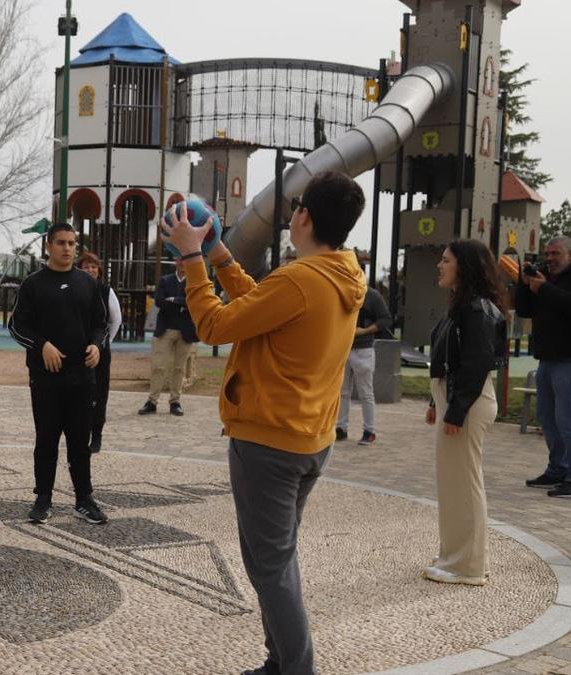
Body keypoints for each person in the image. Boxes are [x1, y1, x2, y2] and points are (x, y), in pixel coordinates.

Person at [161, 171, 367, 675]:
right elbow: (263, 303)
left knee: (271, 567)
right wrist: (221, 257)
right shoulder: (343, 273)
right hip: (308, 437)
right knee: (274, 560)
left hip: (270, 442)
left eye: (296, 207)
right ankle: (280, 662)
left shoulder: (301, 279)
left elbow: (214, 325)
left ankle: (296, 669)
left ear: (304, 217)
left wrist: (191, 259)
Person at [8, 223, 108, 525]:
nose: (68, 248)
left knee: (80, 440)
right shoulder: (33, 284)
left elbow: (100, 323)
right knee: (47, 438)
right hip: (46, 378)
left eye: (72, 243)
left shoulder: (87, 284)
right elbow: (16, 326)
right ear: (48, 246)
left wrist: (96, 345)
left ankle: (83, 498)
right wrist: (42, 346)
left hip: (82, 378)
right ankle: (43, 498)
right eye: (62, 243)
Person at [422, 240, 507, 586]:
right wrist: (435, 403)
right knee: (453, 484)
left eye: (445, 260)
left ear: (465, 266)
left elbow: (475, 364)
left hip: (467, 405)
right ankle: (455, 556)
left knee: (465, 483)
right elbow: (450, 359)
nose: (439, 266)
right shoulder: (464, 306)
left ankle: (468, 566)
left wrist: (455, 412)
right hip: (458, 401)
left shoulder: (476, 309)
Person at [517, 235, 571, 498]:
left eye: (555, 254)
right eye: (547, 254)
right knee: (547, 416)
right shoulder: (545, 278)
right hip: (548, 357)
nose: (549, 259)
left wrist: (544, 288)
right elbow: (524, 310)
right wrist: (524, 284)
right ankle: (558, 468)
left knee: (568, 417)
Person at [139, 264, 199, 417]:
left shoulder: (194, 282)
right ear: (177, 262)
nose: (183, 264)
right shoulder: (164, 281)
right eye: (181, 260)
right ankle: (152, 401)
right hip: (165, 330)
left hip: (185, 331)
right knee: (158, 366)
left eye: (186, 260)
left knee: (179, 368)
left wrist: (173, 300)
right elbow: (159, 301)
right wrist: (181, 302)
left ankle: (175, 401)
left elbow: (194, 302)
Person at [336, 285, 393, 445]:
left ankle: (369, 431)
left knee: (365, 393)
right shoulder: (341, 292)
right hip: (344, 348)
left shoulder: (372, 295)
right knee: (343, 391)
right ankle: (341, 428)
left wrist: (365, 330)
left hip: (364, 349)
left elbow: (385, 319)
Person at [77, 251, 121, 453]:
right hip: (77, 349)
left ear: (99, 270)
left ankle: (96, 436)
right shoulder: (74, 290)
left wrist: (103, 343)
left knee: (99, 393)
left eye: (93, 266)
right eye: (86, 266)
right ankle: (79, 433)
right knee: (79, 394)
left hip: (99, 350)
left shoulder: (106, 291)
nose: (90, 270)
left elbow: (115, 320)